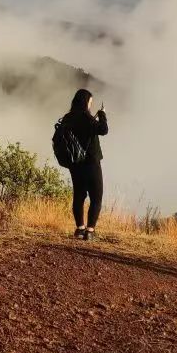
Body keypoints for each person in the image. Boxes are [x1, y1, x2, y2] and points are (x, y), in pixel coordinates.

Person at [63, 88, 108, 241]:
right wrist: (102, 114)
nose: (90, 105)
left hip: (75, 163)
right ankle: (90, 231)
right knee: (96, 197)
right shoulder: (87, 118)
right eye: (90, 102)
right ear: (86, 102)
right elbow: (103, 130)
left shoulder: (67, 118)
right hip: (91, 162)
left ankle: (80, 229)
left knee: (79, 195)